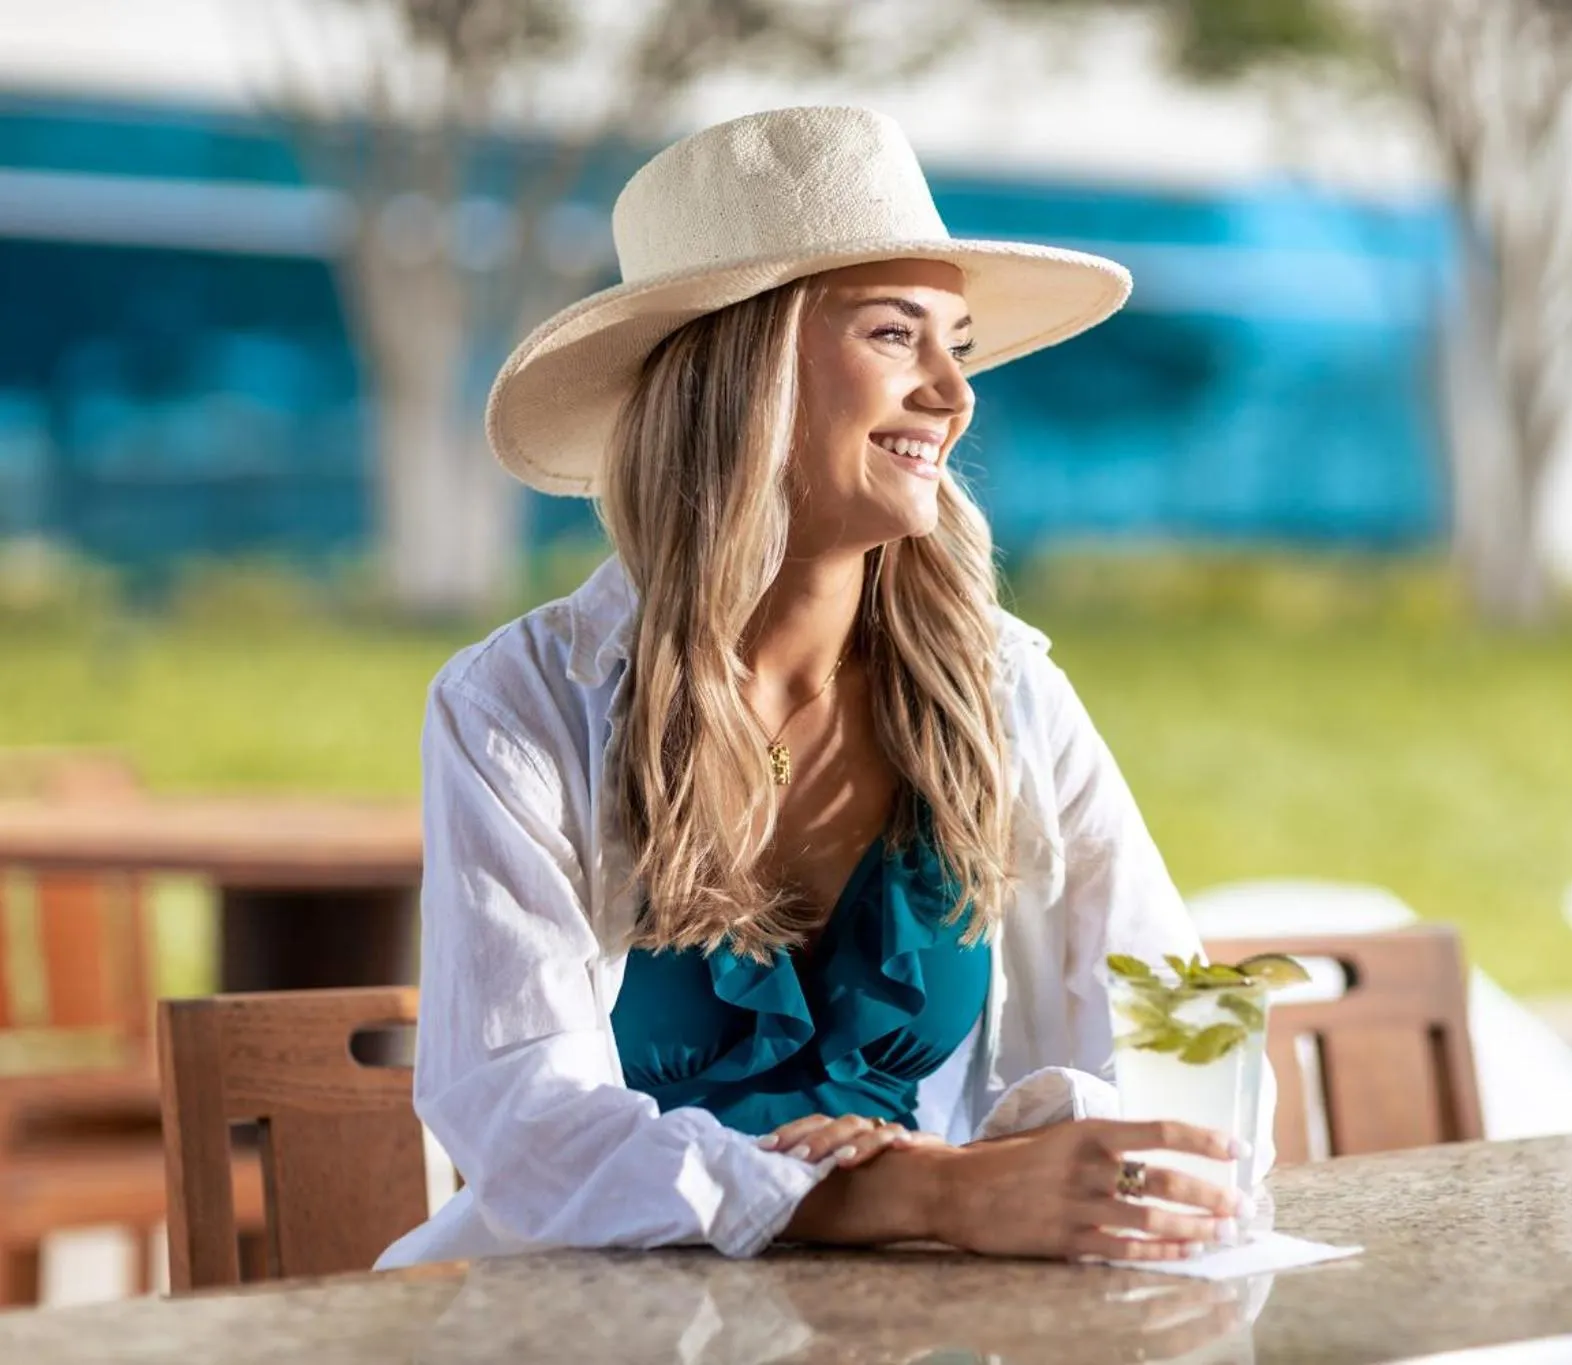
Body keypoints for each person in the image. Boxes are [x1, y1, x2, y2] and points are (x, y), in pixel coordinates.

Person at [376, 105, 1271, 1271]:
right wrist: (913, 1196)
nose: (954, 393)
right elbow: (522, 1122)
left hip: (922, 1325)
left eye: (958, 343)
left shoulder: (1005, 693)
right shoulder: (520, 704)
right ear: (741, 378)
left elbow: (1171, 1031)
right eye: (897, 335)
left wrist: (1024, 1165)